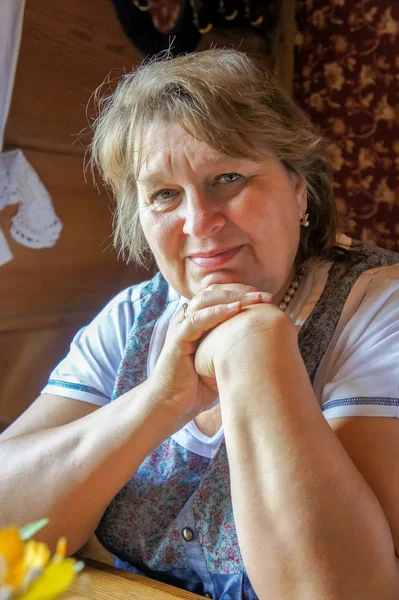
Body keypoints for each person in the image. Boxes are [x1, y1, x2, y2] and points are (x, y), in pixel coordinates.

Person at [1, 49, 399, 600]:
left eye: (229, 177)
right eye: (164, 194)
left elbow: (341, 591)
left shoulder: (380, 308)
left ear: (299, 189)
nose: (198, 222)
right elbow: (6, 526)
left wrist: (250, 344)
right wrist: (160, 400)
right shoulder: (133, 315)